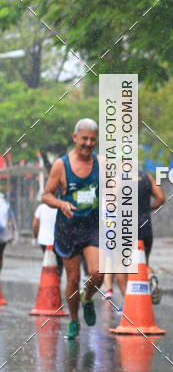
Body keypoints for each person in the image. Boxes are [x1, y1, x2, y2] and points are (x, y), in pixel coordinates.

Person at [42, 119, 102, 340]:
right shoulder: (61, 165)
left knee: (98, 272)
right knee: (73, 278)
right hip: (68, 228)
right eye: (84, 138)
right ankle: (74, 320)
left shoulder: (101, 163)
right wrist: (61, 203)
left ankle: (87, 298)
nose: (88, 143)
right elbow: (46, 194)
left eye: (92, 139)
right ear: (74, 138)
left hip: (92, 226)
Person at [111, 170, 166, 304]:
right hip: (144, 224)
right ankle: (150, 276)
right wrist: (147, 209)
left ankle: (129, 304)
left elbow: (111, 199)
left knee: (120, 264)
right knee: (141, 263)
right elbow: (161, 198)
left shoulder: (117, 176)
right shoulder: (146, 176)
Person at [32, 198, 63, 278]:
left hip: (44, 240)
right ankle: (57, 279)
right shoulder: (60, 207)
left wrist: (35, 237)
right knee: (59, 262)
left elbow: (35, 224)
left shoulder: (41, 208)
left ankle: (49, 279)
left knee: (48, 260)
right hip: (57, 241)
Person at [0, 191, 17, 285]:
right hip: (3, 235)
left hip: (2, 234)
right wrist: (12, 235)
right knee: (1, 255)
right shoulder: (5, 204)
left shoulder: (6, 205)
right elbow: (11, 220)